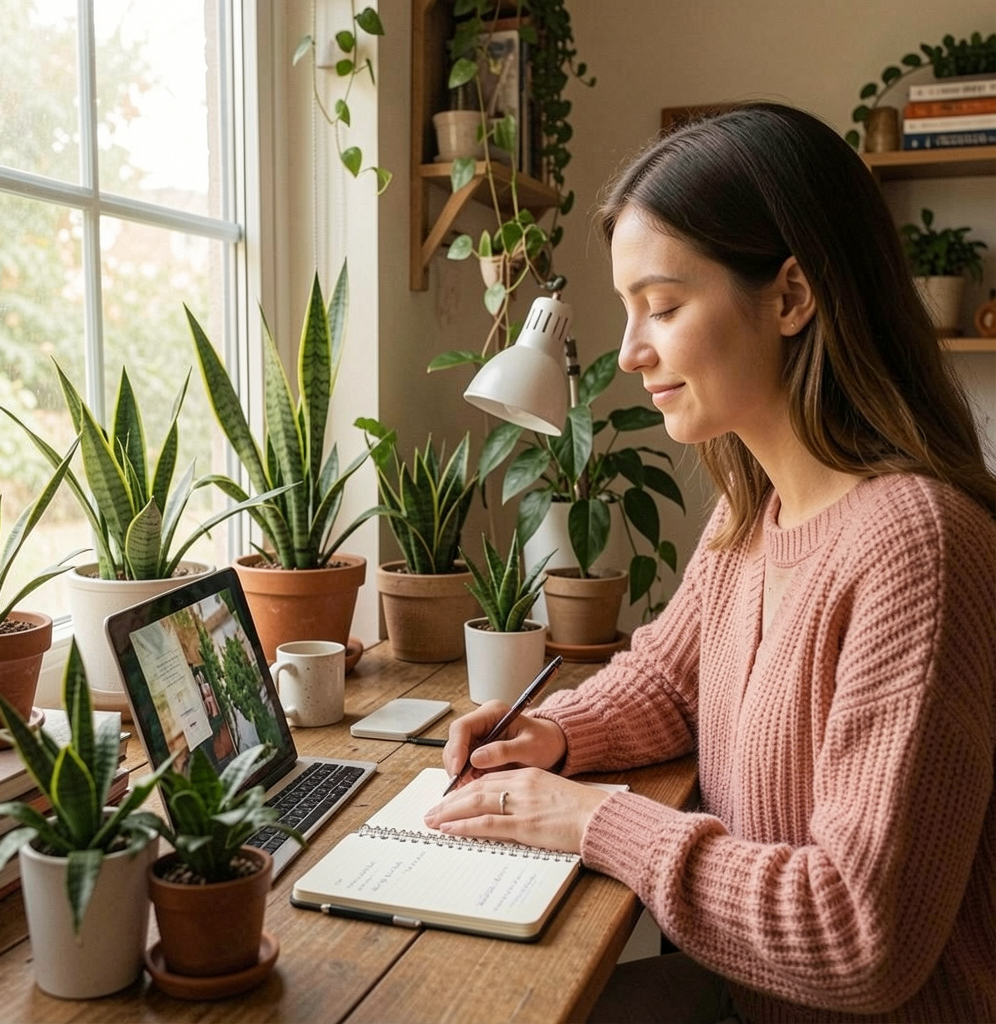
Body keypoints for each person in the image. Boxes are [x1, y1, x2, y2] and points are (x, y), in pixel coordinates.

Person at [423, 103, 996, 1024]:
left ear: (791, 297)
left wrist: (591, 821)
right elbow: (670, 679)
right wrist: (554, 734)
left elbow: (859, 934)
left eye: (664, 306)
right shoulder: (752, 510)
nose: (630, 350)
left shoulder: (915, 545)